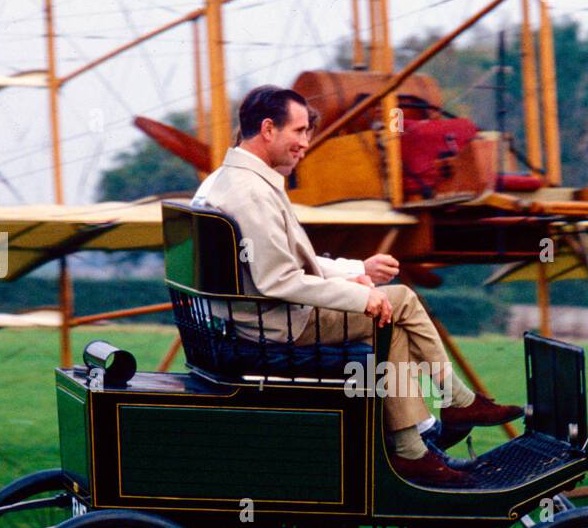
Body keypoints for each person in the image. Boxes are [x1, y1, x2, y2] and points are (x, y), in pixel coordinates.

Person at [191, 85, 521, 487]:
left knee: (391, 310)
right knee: (397, 300)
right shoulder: (250, 193)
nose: (305, 144)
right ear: (267, 129)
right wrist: (360, 295)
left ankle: (415, 445)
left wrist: (356, 270)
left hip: (250, 321)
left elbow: (289, 262)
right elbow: (279, 279)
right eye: (299, 132)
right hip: (275, 328)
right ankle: (448, 410)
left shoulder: (224, 182)